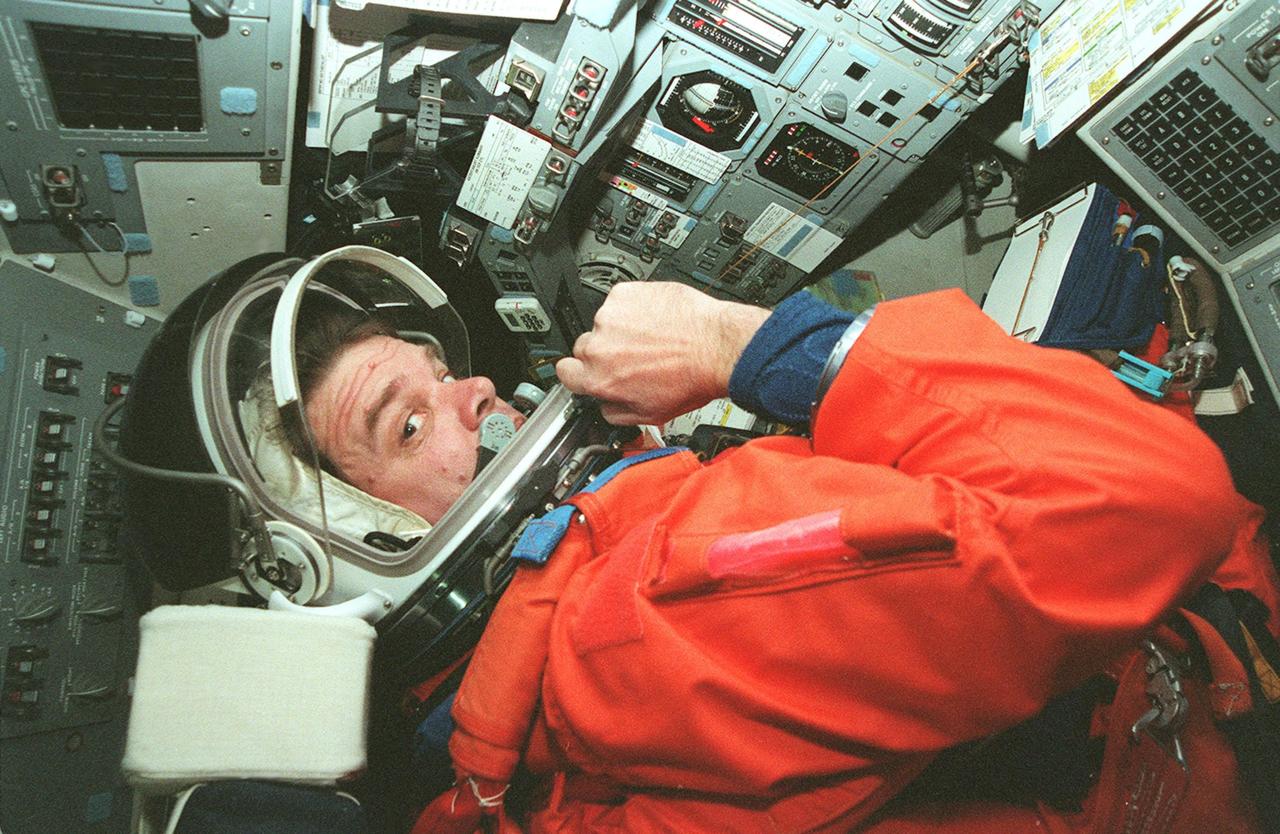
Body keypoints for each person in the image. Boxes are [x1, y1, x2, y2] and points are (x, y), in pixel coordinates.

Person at [302, 282, 1279, 832]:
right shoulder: (642, 611)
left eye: (437, 369)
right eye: (408, 422)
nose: (471, 386)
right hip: (1208, 760)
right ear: (370, 547)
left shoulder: (499, 719)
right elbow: (1146, 505)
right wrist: (750, 343)